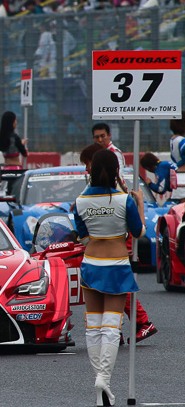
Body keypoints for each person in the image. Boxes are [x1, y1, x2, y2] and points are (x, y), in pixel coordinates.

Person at [73, 149, 146, 406]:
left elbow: (83, 237)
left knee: (93, 327)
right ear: (116, 171)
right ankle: (103, 378)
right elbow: (138, 232)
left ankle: (100, 381)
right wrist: (140, 204)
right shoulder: (124, 200)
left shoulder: (79, 202)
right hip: (116, 266)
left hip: (91, 265)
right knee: (111, 327)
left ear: (91, 171)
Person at [79, 144, 158, 346]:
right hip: (108, 246)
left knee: (118, 284)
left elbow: (135, 228)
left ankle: (140, 323)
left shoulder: (113, 189)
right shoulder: (92, 189)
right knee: (112, 284)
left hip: (117, 243)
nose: (86, 168)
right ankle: (120, 328)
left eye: (87, 163)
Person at [92, 123, 127, 192]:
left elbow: (119, 175)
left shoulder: (115, 153)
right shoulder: (94, 152)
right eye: (97, 137)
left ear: (109, 135)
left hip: (115, 191)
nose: (100, 140)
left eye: (102, 136)